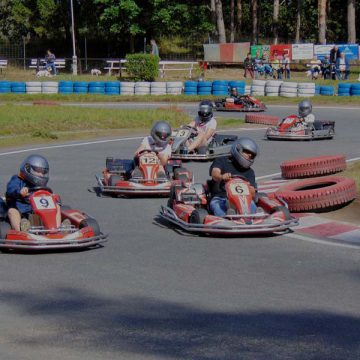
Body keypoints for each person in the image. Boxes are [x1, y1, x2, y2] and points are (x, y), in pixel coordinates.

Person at [5, 154, 63, 231]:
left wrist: (53, 197)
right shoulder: (17, 180)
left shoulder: (42, 185)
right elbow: (11, 189)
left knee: (57, 206)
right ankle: (21, 231)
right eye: (38, 171)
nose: (41, 174)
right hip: (21, 209)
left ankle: (56, 229)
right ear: (28, 168)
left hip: (37, 210)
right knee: (12, 211)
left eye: (43, 172)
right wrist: (20, 192)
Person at [209, 138, 258, 217]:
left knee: (252, 204)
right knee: (216, 206)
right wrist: (222, 177)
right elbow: (214, 174)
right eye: (248, 152)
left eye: (252, 155)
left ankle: (256, 217)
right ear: (238, 149)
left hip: (243, 200)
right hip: (222, 197)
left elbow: (253, 195)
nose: (250, 155)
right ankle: (225, 218)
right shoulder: (221, 161)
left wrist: (250, 189)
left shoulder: (250, 172)